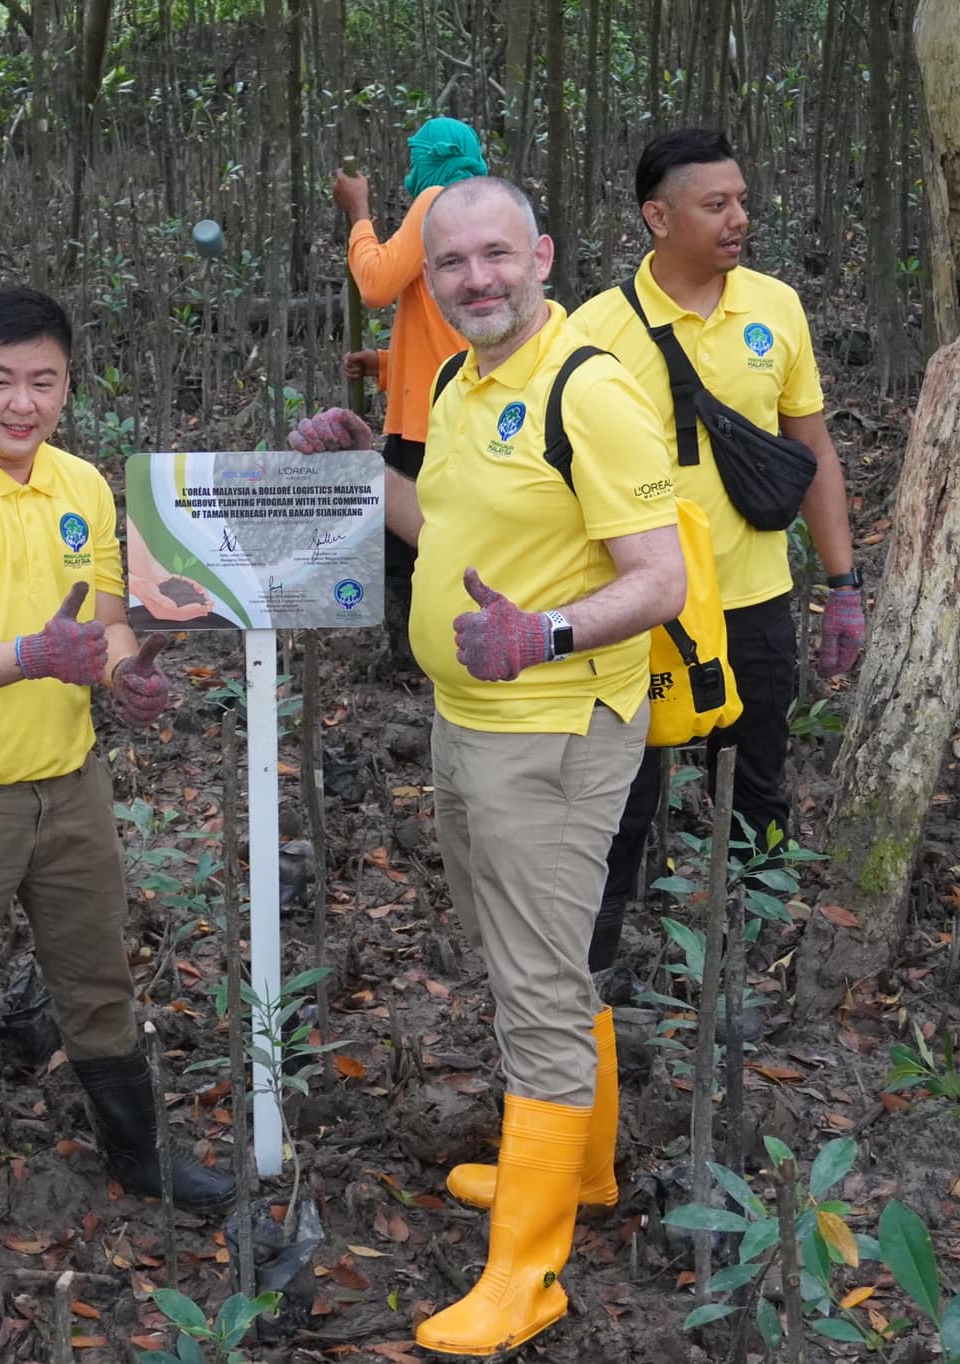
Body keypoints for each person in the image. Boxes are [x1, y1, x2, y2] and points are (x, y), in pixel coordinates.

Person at [290, 178, 685, 1355]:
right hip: (468, 720)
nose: (474, 279)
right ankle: (584, 1172)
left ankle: (527, 1272)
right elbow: (449, 529)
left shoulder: (591, 390)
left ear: (542, 256)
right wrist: (371, 463)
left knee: (538, 991)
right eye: (452, 261)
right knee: (539, 963)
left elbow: (656, 579)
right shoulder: (464, 381)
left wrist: (544, 633)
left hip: (555, 732)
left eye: (495, 256)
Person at [0, 286, 235, 1255]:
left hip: (67, 781)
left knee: (97, 974)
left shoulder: (82, 486)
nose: (21, 402)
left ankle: (136, 1151)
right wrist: (30, 655)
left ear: (68, 383)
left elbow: (101, 629)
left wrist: (124, 676)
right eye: (0, 380)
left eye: (43, 381)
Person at [570, 128, 862, 968]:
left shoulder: (775, 307)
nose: (740, 219)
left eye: (742, 201)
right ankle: (598, 968)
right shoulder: (594, 330)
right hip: (641, 608)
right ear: (657, 217)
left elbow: (814, 454)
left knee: (761, 781)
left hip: (755, 597)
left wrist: (842, 585)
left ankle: (759, 951)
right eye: (716, 204)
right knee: (624, 796)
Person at [332, 117, 482, 668]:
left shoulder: (439, 201)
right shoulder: (474, 211)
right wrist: (387, 366)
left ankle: (414, 659)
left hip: (429, 422)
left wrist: (359, 213)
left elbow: (374, 285)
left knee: (408, 547)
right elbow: (452, 339)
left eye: (416, 156)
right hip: (450, 405)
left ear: (435, 157)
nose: (410, 169)